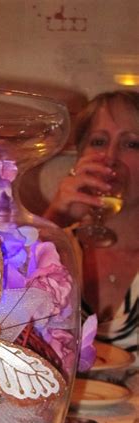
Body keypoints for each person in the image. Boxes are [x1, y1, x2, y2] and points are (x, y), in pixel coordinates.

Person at [45, 90, 138, 358]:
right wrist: (56, 217)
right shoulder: (55, 242)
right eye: (98, 142)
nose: (110, 157)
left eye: (132, 144)